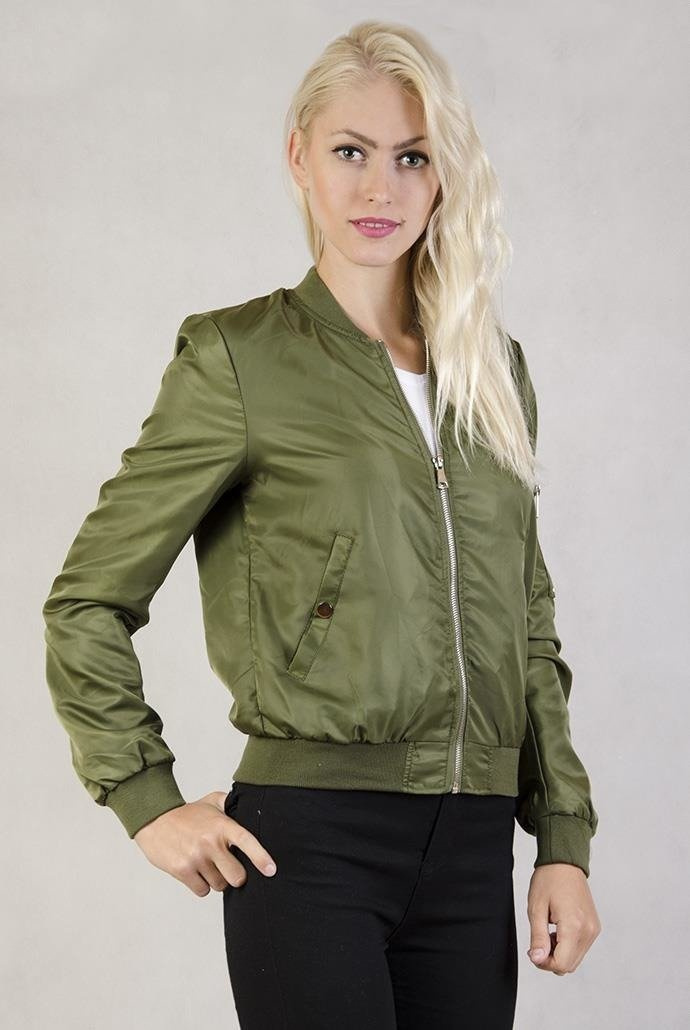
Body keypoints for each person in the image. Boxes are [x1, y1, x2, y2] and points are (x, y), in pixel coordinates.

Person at [42, 18, 601, 1030]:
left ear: (443, 176)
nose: (380, 187)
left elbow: (528, 622)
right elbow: (88, 600)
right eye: (351, 151)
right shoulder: (240, 359)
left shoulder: (492, 370)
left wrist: (561, 837)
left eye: (411, 157)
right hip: (311, 847)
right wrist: (145, 799)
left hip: (474, 851)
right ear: (300, 157)